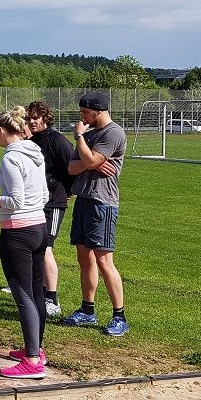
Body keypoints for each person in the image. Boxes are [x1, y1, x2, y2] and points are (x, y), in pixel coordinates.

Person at [0, 107, 50, 379]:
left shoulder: (11, 158)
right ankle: (36, 349)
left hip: (18, 232)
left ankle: (33, 360)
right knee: (36, 292)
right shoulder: (36, 153)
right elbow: (44, 196)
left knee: (23, 294)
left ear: (2, 131)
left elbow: (15, 201)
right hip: (39, 227)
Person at [61, 93, 129, 337]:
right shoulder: (89, 134)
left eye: (85, 112)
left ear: (98, 111)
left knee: (103, 261)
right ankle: (87, 310)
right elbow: (72, 168)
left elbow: (88, 160)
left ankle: (119, 316)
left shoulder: (113, 133)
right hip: (83, 199)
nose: (81, 117)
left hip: (102, 202)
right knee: (84, 258)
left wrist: (80, 140)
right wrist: (91, 160)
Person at [27, 101, 75, 317]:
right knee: (35, 247)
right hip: (35, 202)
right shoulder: (31, 141)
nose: (31, 122)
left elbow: (72, 168)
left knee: (46, 247)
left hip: (53, 203)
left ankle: (52, 299)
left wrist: (67, 191)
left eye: (35, 118)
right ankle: (38, 291)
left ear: (45, 118)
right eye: (29, 118)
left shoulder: (58, 141)